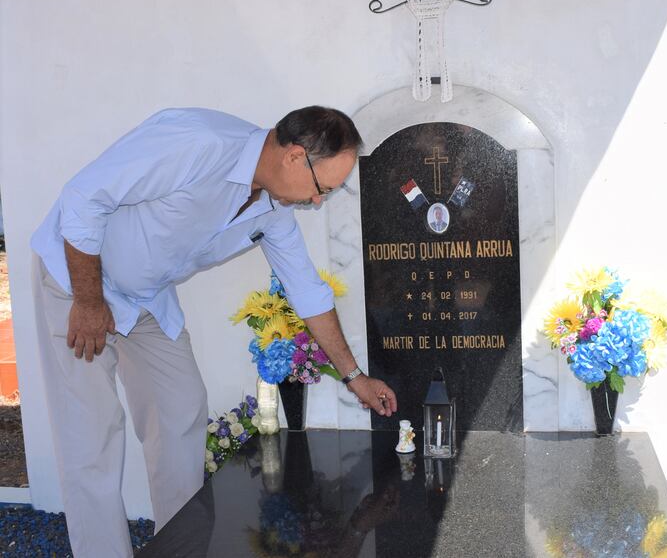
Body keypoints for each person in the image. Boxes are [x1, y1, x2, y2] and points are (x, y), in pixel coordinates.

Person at [30, 106, 398, 558]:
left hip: (146, 297)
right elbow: (83, 197)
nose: (317, 202)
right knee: (91, 436)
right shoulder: (197, 142)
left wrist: (355, 377)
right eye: (322, 188)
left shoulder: (272, 210)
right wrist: (88, 302)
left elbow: (309, 293)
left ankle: (178, 549)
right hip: (77, 279)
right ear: (294, 157)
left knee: (182, 410)